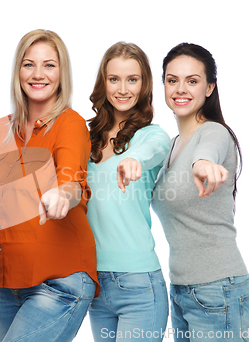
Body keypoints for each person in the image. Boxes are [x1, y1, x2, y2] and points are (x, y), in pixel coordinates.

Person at [0, 29, 98, 342]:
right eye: (28, 64)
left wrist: (63, 194)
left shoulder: (69, 123)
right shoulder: (1, 130)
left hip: (59, 282)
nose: (38, 74)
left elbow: (73, 179)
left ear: (62, 73)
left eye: (49, 65)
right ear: (18, 71)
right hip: (3, 282)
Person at [151, 43, 249, 342]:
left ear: (209, 87)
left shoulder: (214, 133)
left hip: (218, 289)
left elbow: (208, 151)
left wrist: (204, 163)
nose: (180, 89)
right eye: (173, 80)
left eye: (192, 81)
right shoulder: (170, 146)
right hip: (183, 291)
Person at [86, 42, 171, 342]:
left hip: (139, 285)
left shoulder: (152, 136)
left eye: (132, 79)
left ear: (144, 84)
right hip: (94, 284)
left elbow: (153, 151)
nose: (123, 89)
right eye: (114, 79)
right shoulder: (87, 138)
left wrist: (134, 160)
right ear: (103, 82)